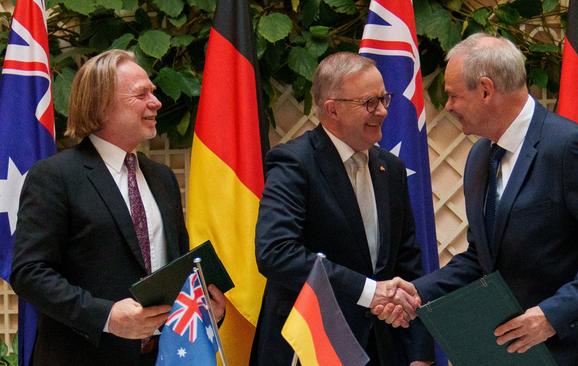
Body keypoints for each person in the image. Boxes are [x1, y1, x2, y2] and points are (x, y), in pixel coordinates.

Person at [374, 33, 578, 365]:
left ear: (486, 90)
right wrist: (419, 291)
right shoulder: (479, 156)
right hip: (513, 354)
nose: (447, 106)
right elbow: (482, 258)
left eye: (453, 96)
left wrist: (552, 315)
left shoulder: (567, 148)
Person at [10, 49, 226, 366]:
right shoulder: (54, 176)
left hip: (164, 356)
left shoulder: (162, 178)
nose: (157, 102)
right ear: (102, 105)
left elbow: (175, 268)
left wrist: (204, 306)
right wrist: (107, 317)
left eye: (153, 92)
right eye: (142, 94)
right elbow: (29, 273)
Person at [251, 52, 434, 365]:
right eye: (369, 103)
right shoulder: (294, 163)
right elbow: (276, 253)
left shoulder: (391, 169)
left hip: (380, 350)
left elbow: (407, 265)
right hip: (309, 347)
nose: (383, 111)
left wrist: (420, 353)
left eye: (384, 98)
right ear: (332, 109)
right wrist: (368, 291)